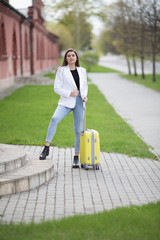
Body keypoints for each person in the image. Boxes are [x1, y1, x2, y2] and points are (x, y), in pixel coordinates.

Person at [39, 48, 88, 168]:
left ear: (76, 58)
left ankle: (76, 157)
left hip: (79, 103)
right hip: (66, 101)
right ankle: (46, 148)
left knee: (78, 131)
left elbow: (85, 86)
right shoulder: (61, 71)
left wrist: (84, 95)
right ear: (66, 58)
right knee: (54, 119)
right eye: (69, 56)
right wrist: (70, 93)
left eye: (73, 55)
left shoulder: (82, 71)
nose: (71, 57)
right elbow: (57, 88)